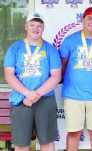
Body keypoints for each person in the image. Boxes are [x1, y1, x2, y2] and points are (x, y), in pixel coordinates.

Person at [3, 12, 61, 151]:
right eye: (32, 25)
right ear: (26, 27)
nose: (35, 28)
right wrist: (27, 93)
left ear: (43, 28)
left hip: (45, 100)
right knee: (21, 143)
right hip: (21, 99)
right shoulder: (14, 48)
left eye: (39, 25)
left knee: (47, 141)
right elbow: (9, 75)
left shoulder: (50, 50)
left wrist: (36, 94)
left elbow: (56, 76)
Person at [59, 7, 92, 151]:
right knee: (73, 133)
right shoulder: (70, 40)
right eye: (89, 18)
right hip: (73, 95)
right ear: (82, 20)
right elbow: (62, 65)